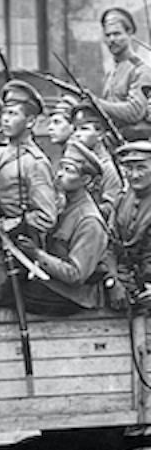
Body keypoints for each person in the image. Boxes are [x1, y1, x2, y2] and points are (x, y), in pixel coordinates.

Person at [0, 80, 58, 308]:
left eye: (13, 114)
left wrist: (15, 222)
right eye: (5, 113)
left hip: (12, 249)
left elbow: (47, 216)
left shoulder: (35, 163)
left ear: (31, 121)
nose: (5, 119)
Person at [16, 139, 109, 315]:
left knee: (10, 292)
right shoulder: (62, 206)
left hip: (74, 297)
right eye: (61, 168)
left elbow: (75, 275)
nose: (59, 174)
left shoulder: (89, 221)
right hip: (53, 284)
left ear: (86, 179)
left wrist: (36, 254)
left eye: (68, 170)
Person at [103, 141, 151, 310]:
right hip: (127, 284)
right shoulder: (122, 200)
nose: (134, 175)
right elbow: (110, 245)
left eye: (141, 168)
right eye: (129, 169)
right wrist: (113, 281)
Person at [99, 7, 151, 139]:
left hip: (135, 144)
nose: (112, 39)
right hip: (113, 140)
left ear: (130, 33)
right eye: (107, 35)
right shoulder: (111, 73)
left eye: (117, 34)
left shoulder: (140, 70)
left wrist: (97, 103)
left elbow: (135, 112)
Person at [69, 101, 123, 212]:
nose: (77, 134)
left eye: (84, 129)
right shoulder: (72, 160)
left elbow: (112, 206)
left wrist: (85, 210)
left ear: (100, 134)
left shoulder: (107, 167)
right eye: (75, 129)